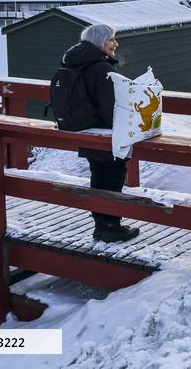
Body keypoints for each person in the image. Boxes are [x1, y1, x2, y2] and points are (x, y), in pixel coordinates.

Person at [60, 23, 141, 244]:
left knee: (98, 176)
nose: (116, 43)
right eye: (111, 39)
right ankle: (112, 227)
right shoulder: (102, 69)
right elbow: (112, 106)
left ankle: (100, 225)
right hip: (107, 134)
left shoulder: (75, 63)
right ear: (99, 42)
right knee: (114, 177)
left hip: (85, 130)